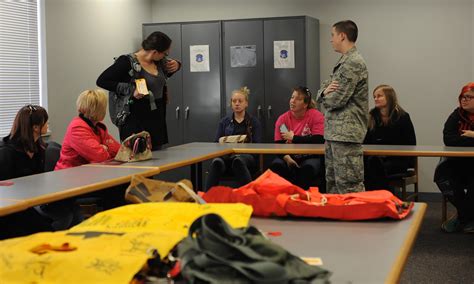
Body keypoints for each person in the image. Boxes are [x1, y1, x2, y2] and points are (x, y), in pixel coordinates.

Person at [0, 105, 81, 239]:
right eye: (45, 121)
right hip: (11, 208)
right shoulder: (6, 152)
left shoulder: (39, 149)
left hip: (30, 201)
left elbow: (38, 180)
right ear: (35, 127)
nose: (48, 123)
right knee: (55, 223)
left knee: (75, 211)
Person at [97, 31, 181, 150]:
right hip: (135, 117)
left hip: (156, 117)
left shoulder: (159, 62)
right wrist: (131, 90)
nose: (166, 56)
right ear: (155, 52)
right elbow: (102, 81)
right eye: (165, 53)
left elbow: (160, 79)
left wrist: (177, 65)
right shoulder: (126, 62)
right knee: (138, 157)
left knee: (159, 158)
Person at [316, 20, 368, 194]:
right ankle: (338, 221)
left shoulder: (353, 62)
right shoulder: (343, 61)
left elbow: (336, 100)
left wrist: (324, 95)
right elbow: (324, 88)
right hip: (334, 134)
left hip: (346, 135)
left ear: (342, 36)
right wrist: (323, 93)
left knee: (349, 187)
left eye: (332, 35)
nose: (331, 39)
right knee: (332, 186)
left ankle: (357, 221)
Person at [204, 87, 262, 191]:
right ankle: (206, 198)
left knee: (238, 161)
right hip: (226, 157)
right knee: (217, 162)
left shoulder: (253, 122)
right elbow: (216, 144)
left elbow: (257, 146)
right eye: (234, 101)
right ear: (231, 103)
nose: (237, 104)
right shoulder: (224, 122)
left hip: (246, 157)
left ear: (246, 103)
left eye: (240, 101)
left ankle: (249, 195)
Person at [436, 82, 474, 233]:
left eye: (469, 97)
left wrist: (471, 135)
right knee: (442, 176)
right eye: (462, 97)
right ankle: (467, 217)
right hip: (458, 162)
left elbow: (456, 139)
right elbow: (449, 139)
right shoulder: (456, 115)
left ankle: (462, 218)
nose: (464, 100)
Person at [270, 87, 325, 190]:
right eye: (292, 97)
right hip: (288, 157)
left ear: (305, 104)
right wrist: (287, 158)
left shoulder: (316, 116)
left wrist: (294, 138)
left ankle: (300, 200)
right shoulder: (283, 120)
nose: (293, 101)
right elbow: (279, 144)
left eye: (298, 99)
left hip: (310, 157)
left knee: (307, 169)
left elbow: (319, 140)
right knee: (276, 166)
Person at [363, 85, 416, 190]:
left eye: (379, 96)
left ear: (389, 97)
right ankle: (378, 198)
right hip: (374, 157)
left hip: (397, 159)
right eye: (374, 96)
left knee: (375, 168)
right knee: (369, 165)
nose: (376, 99)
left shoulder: (402, 117)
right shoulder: (371, 116)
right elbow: (365, 141)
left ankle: (381, 198)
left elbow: (411, 143)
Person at [55, 89, 120, 170]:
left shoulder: (98, 127)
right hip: (70, 176)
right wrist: (103, 149)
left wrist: (105, 147)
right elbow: (100, 156)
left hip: (87, 173)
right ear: (98, 110)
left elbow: (119, 151)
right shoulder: (77, 128)